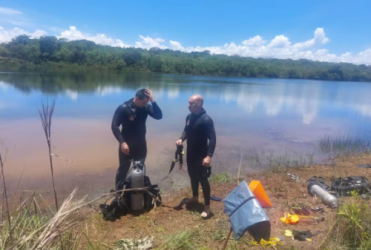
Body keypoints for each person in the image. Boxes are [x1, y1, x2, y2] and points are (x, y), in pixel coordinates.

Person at [111, 88, 162, 191]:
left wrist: (152, 100)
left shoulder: (146, 107)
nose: (144, 104)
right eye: (143, 102)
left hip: (141, 146)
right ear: (137, 98)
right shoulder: (124, 108)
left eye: (146, 102)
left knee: (139, 170)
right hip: (126, 146)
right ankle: (118, 193)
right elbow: (114, 125)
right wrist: (122, 143)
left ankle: (135, 194)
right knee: (123, 170)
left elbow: (159, 116)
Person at [176, 94, 216, 218]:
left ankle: (207, 206)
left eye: (191, 103)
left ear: (199, 104)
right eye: (188, 103)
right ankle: (195, 197)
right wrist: (181, 139)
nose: (188, 105)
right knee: (192, 176)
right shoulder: (189, 117)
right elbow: (186, 130)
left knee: (203, 180)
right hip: (190, 153)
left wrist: (209, 156)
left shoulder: (206, 119)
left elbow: (213, 138)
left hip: (201, 155)